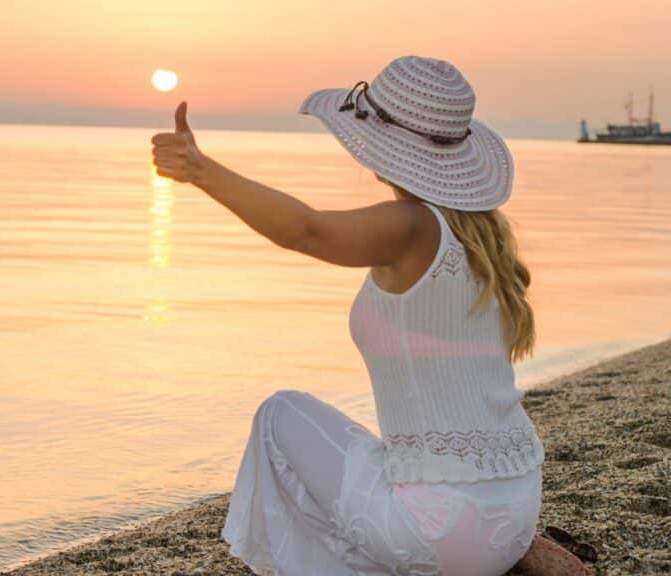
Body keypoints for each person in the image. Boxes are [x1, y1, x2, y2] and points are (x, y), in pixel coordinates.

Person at [150, 55, 593, 576]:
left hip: (443, 532)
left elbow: (307, 230)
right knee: (384, 450)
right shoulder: (485, 240)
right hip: (514, 510)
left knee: (281, 415)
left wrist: (201, 170)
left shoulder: (411, 227)